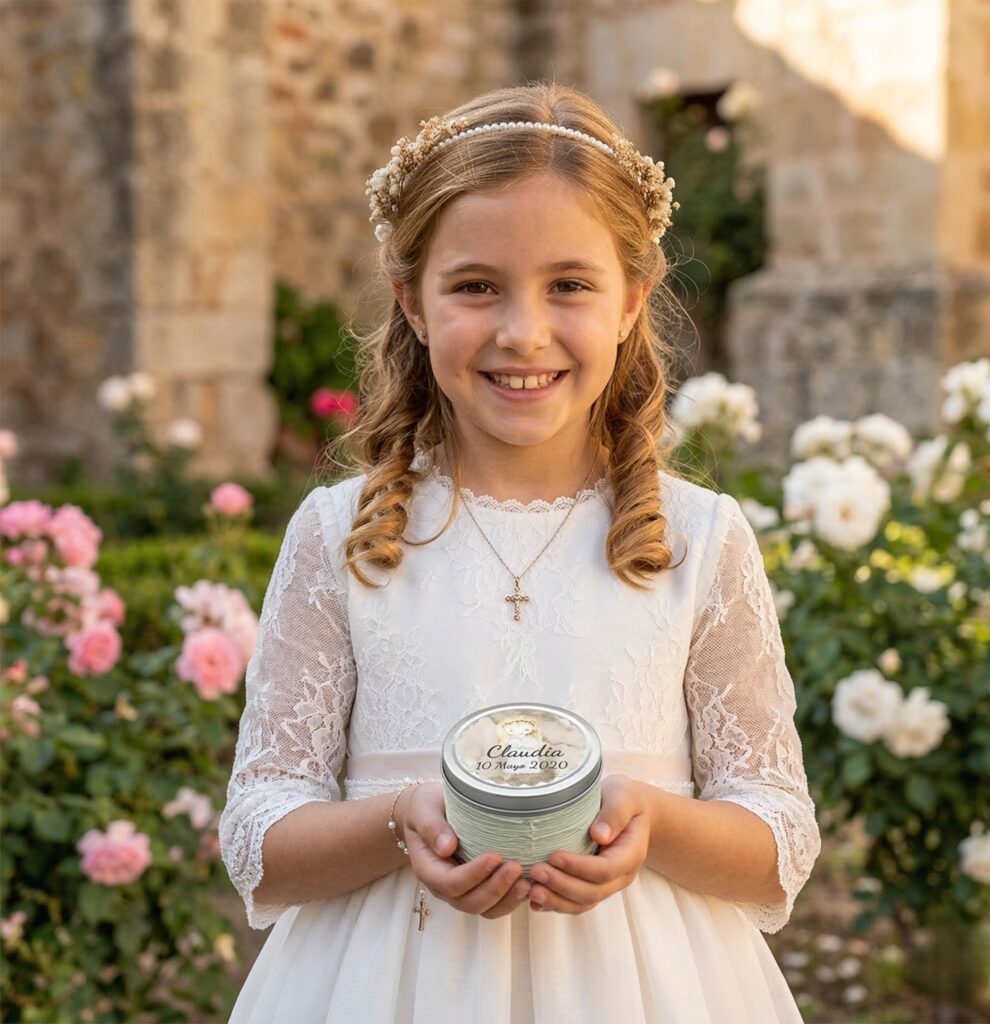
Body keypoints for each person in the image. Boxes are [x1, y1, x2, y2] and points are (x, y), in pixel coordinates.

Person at [219, 81, 821, 1023]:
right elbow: (259, 836)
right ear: (413, 303)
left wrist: (653, 822)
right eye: (475, 286)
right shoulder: (338, 536)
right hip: (388, 988)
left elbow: (778, 837)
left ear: (632, 300)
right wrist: (399, 821)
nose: (522, 332)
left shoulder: (701, 540)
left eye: (569, 285)